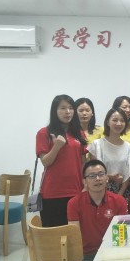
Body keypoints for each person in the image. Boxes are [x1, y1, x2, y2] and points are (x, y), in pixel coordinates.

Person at [36, 94, 87, 227]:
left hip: (76, 190)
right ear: (55, 111)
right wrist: (57, 146)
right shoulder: (44, 133)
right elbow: (45, 162)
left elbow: (83, 163)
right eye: (63, 108)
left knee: (76, 233)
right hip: (52, 193)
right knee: (53, 235)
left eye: (70, 108)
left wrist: (85, 184)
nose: (68, 112)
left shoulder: (78, 133)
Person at [67, 160, 127, 261]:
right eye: (92, 176)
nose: (97, 179)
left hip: (112, 252)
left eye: (101, 174)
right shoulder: (74, 203)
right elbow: (74, 237)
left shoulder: (119, 201)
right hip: (86, 255)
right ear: (84, 181)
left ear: (107, 178)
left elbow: (122, 234)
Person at [87, 108, 130, 195]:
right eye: (115, 120)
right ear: (107, 122)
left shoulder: (129, 148)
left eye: (122, 121)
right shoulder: (96, 145)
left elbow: (128, 174)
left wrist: (120, 194)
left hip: (122, 191)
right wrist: (111, 177)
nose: (119, 123)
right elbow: (92, 173)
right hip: (99, 190)